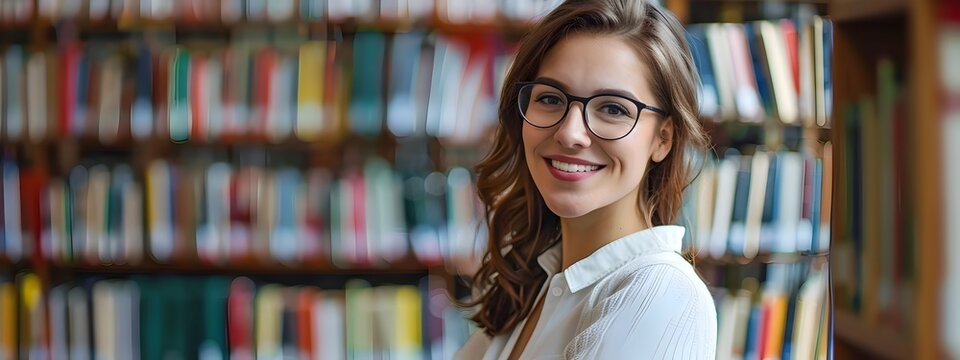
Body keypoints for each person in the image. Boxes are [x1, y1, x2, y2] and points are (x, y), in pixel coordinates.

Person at [455, 0, 717, 358]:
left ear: (663, 139)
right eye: (549, 98)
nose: (570, 133)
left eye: (613, 108)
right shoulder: (535, 284)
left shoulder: (660, 293)